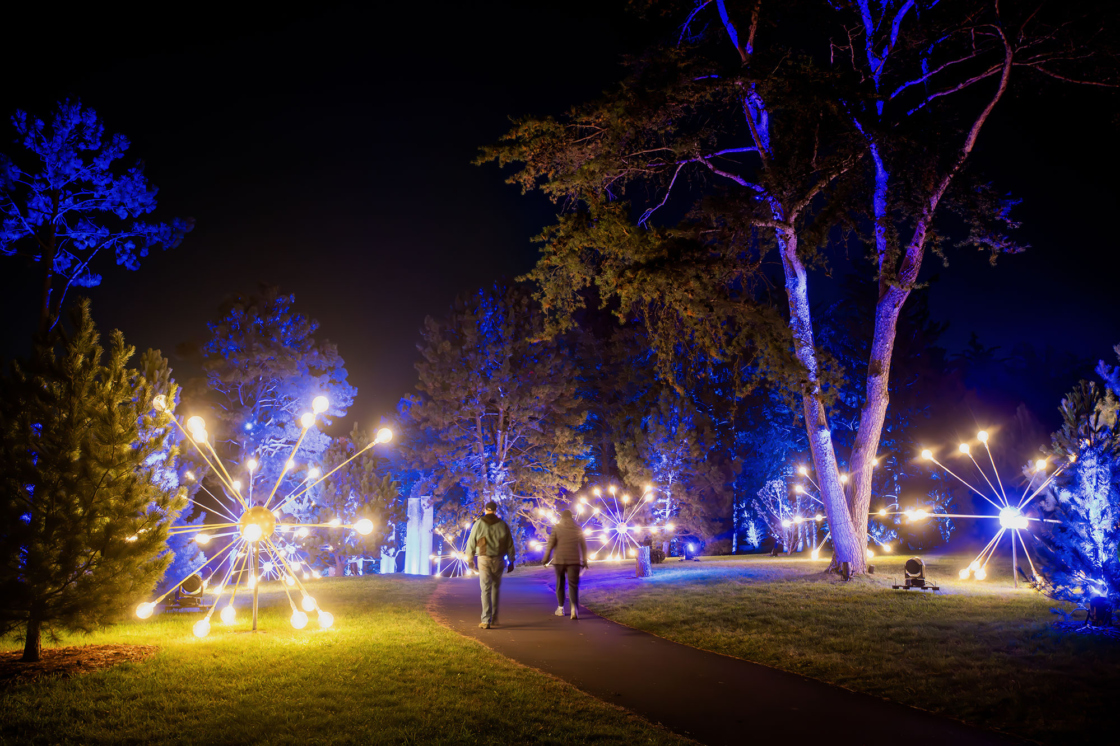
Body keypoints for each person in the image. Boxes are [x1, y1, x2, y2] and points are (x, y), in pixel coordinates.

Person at [466, 501, 515, 629]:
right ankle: (495, 616)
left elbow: (471, 541)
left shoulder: (478, 524)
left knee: (485, 589)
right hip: (499, 559)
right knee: (495, 588)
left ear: (485, 509)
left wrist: (470, 559)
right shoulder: (503, 525)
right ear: (495, 510)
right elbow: (510, 544)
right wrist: (511, 560)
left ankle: (486, 620)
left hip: (483, 558)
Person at [543, 509, 588, 620]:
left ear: (562, 517)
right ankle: (574, 609)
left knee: (560, 583)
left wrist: (546, 558)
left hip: (560, 560)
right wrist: (585, 560)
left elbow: (550, 544)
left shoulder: (557, 528)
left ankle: (561, 608)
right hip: (574, 561)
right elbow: (583, 546)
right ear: (572, 517)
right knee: (573, 585)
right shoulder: (578, 528)